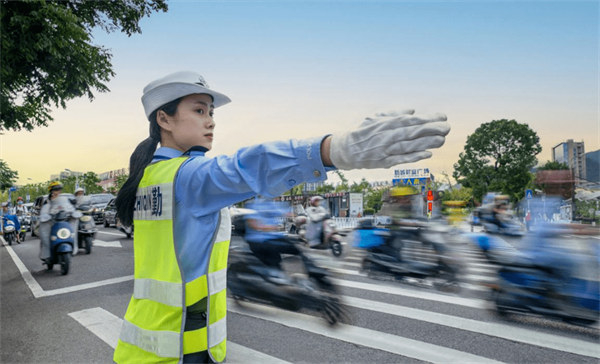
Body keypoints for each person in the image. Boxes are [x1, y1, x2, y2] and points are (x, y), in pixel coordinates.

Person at [112, 71, 450, 363]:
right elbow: (249, 164)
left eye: (211, 112)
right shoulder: (188, 176)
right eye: (199, 110)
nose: (211, 120)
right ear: (164, 119)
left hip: (146, 343)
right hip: (181, 347)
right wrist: (332, 150)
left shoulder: (148, 177)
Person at [244, 199, 302, 272]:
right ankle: (275, 274)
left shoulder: (271, 203)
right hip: (259, 240)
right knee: (274, 262)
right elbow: (253, 224)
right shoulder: (252, 204)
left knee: (297, 250)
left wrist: (298, 217)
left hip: (274, 238)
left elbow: (283, 212)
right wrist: (271, 227)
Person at [39, 182, 79, 261]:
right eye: (56, 189)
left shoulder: (64, 200)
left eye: (59, 189)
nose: (58, 191)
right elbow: (44, 212)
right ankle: (47, 253)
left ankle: (72, 246)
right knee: (45, 230)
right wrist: (46, 216)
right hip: (52, 224)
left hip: (63, 223)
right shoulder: (47, 201)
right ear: (51, 191)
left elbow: (69, 208)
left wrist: (73, 213)